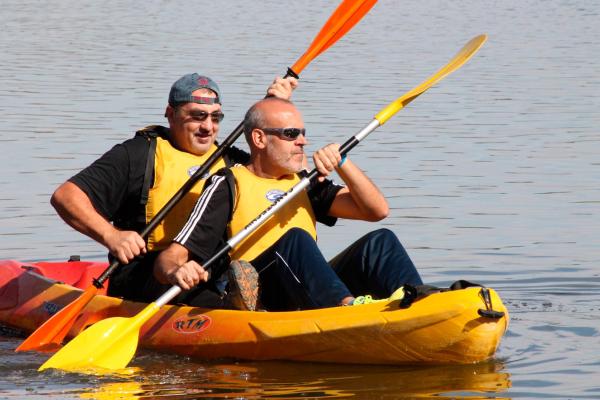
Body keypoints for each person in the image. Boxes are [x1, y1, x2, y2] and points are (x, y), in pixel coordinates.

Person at [153, 97, 423, 310]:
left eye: (303, 133)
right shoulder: (227, 184)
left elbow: (377, 211)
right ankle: (346, 310)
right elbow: (168, 259)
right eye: (291, 134)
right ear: (259, 139)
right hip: (259, 292)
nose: (302, 141)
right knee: (295, 239)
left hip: (302, 283)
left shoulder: (305, 183)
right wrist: (179, 270)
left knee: (380, 242)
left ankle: (421, 302)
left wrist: (343, 163)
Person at [51, 73, 298, 304]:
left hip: (213, 271)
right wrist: (111, 236)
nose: (208, 127)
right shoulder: (138, 154)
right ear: (170, 113)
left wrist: (273, 108)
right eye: (197, 116)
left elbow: (270, 155)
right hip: (146, 276)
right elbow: (66, 196)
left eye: (216, 117)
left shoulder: (229, 159)